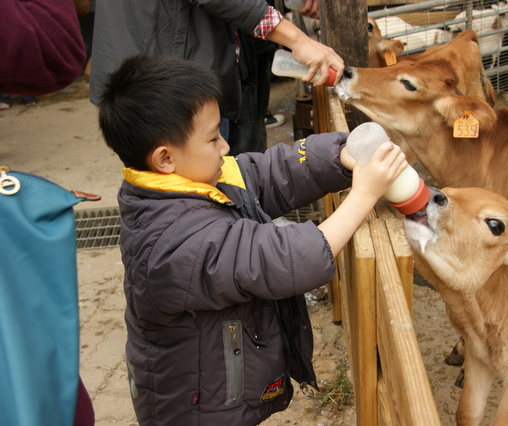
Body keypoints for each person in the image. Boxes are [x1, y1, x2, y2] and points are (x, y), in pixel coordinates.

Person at [97, 54, 406, 425]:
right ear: (165, 158)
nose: (225, 147)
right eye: (213, 138)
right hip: (197, 409)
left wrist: (340, 157)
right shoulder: (178, 241)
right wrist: (363, 195)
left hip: (218, 387)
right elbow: (282, 260)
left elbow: (270, 173)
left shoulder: (194, 180)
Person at [89, 0, 344, 154]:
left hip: (146, 62)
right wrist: (296, 38)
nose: (222, 148)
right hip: (167, 80)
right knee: (193, 184)